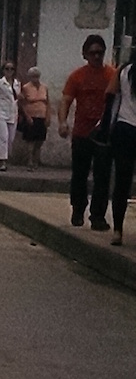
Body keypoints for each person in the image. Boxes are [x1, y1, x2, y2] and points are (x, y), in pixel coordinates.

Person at [58, 34, 115, 230]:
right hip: (82, 133)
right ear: (85, 54)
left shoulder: (112, 75)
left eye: (100, 53)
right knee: (80, 174)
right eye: (93, 53)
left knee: (102, 176)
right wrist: (62, 122)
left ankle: (98, 216)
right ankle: (78, 209)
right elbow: (66, 100)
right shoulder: (77, 76)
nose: (97, 57)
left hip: (103, 136)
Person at [93, 48, 136, 246]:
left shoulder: (123, 71)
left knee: (122, 181)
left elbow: (109, 94)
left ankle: (118, 231)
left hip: (124, 129)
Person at [0, 61, 21, 171]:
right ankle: (3, 161)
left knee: (10, 139)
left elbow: (18, 99)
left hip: (13, 113)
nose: (9, 71)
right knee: (3, 137)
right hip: (1, 112)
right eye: (7, 69)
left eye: (11, 69)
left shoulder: (17, 84)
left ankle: (1, 157)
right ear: (3, 70)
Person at [19, 66, 51, 170]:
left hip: (42, 116)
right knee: (30, 140)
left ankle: (36, 160)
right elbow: (22, 103)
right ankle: (30, 161)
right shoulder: (25, 87)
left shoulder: (44, 87)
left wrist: (48, 116)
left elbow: (48, 103)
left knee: (39, 140)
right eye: (33, 76)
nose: (35, 78)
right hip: (31, 116)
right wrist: (27, 116)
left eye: (37, 76)